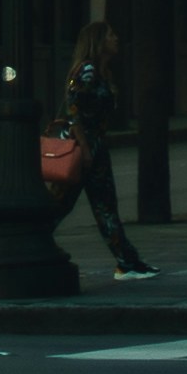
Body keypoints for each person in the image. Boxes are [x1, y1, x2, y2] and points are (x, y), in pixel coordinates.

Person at [59, 20, 158, 280]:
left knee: (101, 206)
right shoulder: (88, 72)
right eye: (111, 35)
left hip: (95, 146)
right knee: (86, 205)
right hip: (86, 148)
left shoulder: (102, 72)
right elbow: (73, 111)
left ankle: (129, 261)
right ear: (99, 41)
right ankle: (127, 263)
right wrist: (86, 148)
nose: (116, 39)